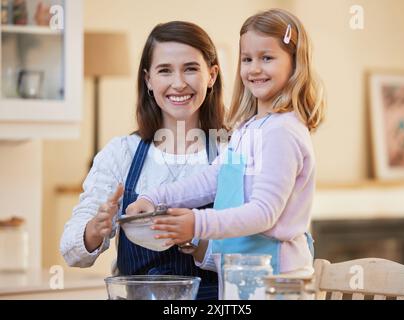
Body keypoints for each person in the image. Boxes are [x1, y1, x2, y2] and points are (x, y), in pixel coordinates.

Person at [127, 8, 326, 297]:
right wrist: (154, 197)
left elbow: (264, 213)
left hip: (278, 281)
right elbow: (214, 179)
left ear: (295, 63)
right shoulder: (249, 128)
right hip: (243, 275)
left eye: (266, 58)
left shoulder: (283, 131)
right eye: (247, 59)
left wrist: (197, 223)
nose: (254, 68)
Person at [60, 21, 228, 300]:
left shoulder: (232, 152)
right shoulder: (122, 153)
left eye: (190, 68)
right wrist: (95, 228)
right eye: (165, 70)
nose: (178, 83)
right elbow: (71, 252)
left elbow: (253, 256)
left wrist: (195, 237)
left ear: (211, 75)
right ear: (148, 80)